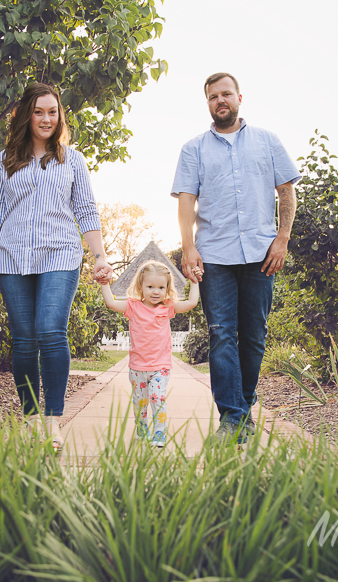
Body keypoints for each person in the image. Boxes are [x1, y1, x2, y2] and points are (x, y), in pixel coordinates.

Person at [0, 82, 111, 451]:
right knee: (24, 341)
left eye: (53, 111)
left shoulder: (72, 159)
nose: (47, 119)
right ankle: (31, 418)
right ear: (26, 116)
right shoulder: (5, 160)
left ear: (60, 116)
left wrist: (100, 256)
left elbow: (85, 210)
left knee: (49, 330)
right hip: (14, 257)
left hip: (60, 253)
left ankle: (53, 421)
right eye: (39, 111)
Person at [170, 73, 300, 444]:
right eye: (213, 96)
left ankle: (241, 408)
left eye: (226, 94)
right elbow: (185, 203)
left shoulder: (267, 141)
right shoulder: (193, 149)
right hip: (214, 255)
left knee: (254, 337)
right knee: (221, 333)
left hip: (262, 254)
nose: (220, 100)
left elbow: (286, 192)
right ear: (208, 103)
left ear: (239, 97)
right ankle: (232, 418)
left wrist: (283, 238)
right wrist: (188, 246)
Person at [97, 261, 200, 446]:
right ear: (141, 287)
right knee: (140, 402)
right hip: (137, 367)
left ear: (167, 288)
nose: (155, 291)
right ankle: (142, 429)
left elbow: (192, 302)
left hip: (160, 366)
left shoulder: (167, 307)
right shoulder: (133, 307)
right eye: (150, 286)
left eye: (161, 287)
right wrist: (105, 284)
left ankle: (159, 433)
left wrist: (194, 280)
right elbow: (111, 302)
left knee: (157, 398)